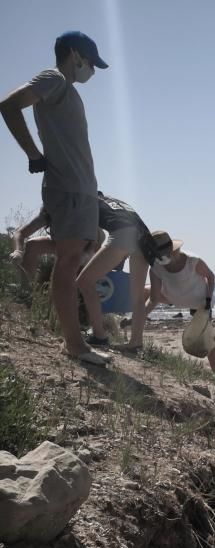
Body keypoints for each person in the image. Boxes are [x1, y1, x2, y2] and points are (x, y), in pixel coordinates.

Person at [1, 31, 109, 365]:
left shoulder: (69, 92)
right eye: (90, 63)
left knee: (72, 259)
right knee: (68, 262)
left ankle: (71, 338)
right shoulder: (54, 78)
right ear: (76, 55)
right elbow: (8, 105)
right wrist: (33, 154)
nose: (91, 71)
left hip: (81, 191)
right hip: (68, 189)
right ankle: (75, 345)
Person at [75, 192, 153, 351]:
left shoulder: (87, 203)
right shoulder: (116, 202)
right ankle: (136, 342)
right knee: (137, 297)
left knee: (84, 282)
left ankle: (99, 336)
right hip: (145, 238)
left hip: (123, 234)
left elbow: (92, 237)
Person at [144, 232, 215, 374]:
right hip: (174, 298)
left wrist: (208, 300)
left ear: (173, 250)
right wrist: (140, 316)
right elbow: (154, 298)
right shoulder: (156, 267)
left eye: (164, 252)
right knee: (143, 291)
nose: (161, 256)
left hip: (200, 303)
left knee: (207, 342)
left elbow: (211, 276)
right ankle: (133, 332)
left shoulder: (192, 261)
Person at [8, 207, 104, 285]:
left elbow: (95, 242)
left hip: (87, 248)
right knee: (33, 245)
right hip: (61, 243)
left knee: (73, 279)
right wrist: (18, 251)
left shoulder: (81, 211)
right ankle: (26, 288)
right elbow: (20, 233)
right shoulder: (50, 210)